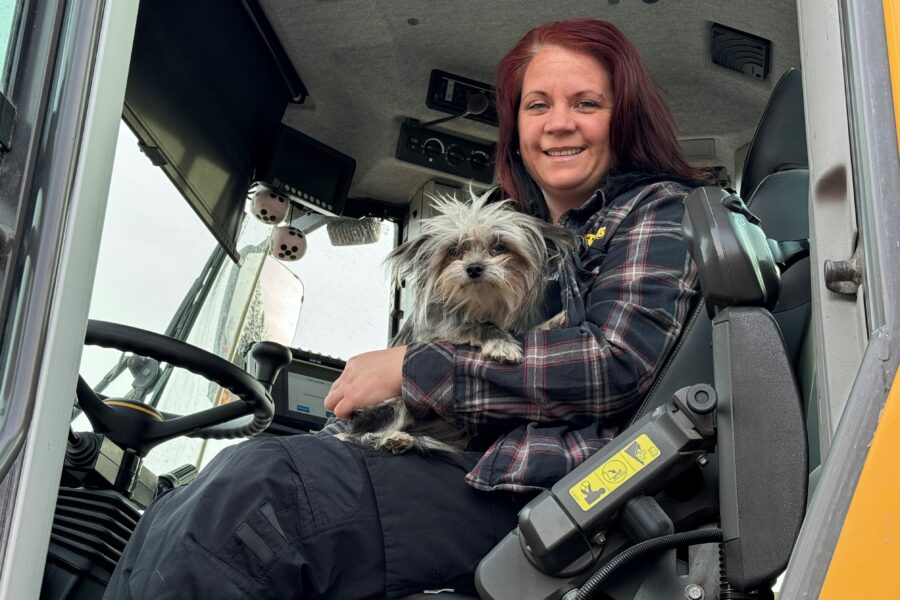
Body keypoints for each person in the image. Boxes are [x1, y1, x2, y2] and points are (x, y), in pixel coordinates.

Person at [106, 18, 710, 600]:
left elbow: (614, 362)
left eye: (585, 104)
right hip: (492, 469)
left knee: (257, 494)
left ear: (623, 117)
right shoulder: (562, 246)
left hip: (561, 498)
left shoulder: (655, 211)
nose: (558, 125)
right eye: (537, 106)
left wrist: (409, 369)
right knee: (188, 499)